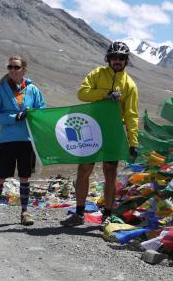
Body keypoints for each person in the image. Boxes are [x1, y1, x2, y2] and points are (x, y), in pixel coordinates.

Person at [60, 41, 139, 227]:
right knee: (84, 170)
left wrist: (133, 142)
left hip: (113, 132)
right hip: (92, 129)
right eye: (114, 57)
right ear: (108, 59)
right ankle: (79, 213)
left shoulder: (130, 85)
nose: (117, 60)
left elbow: (131, 115)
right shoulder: (97, 74)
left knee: (110, 173)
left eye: (121, 58)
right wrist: (105, 94)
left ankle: (108, 214)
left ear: (126, 61)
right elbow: (82, 93)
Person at [0, 55, 46, 228]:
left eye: (15, 67)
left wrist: (34, 115)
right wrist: (13, 117)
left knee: (24, 177)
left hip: (26, 140)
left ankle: (25, 213)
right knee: (0, 177)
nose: (12, 70)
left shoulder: (33, 90)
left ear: (23, 69)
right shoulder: (1, 89)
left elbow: (42, 111)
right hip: (6, 140)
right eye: (9, 67)